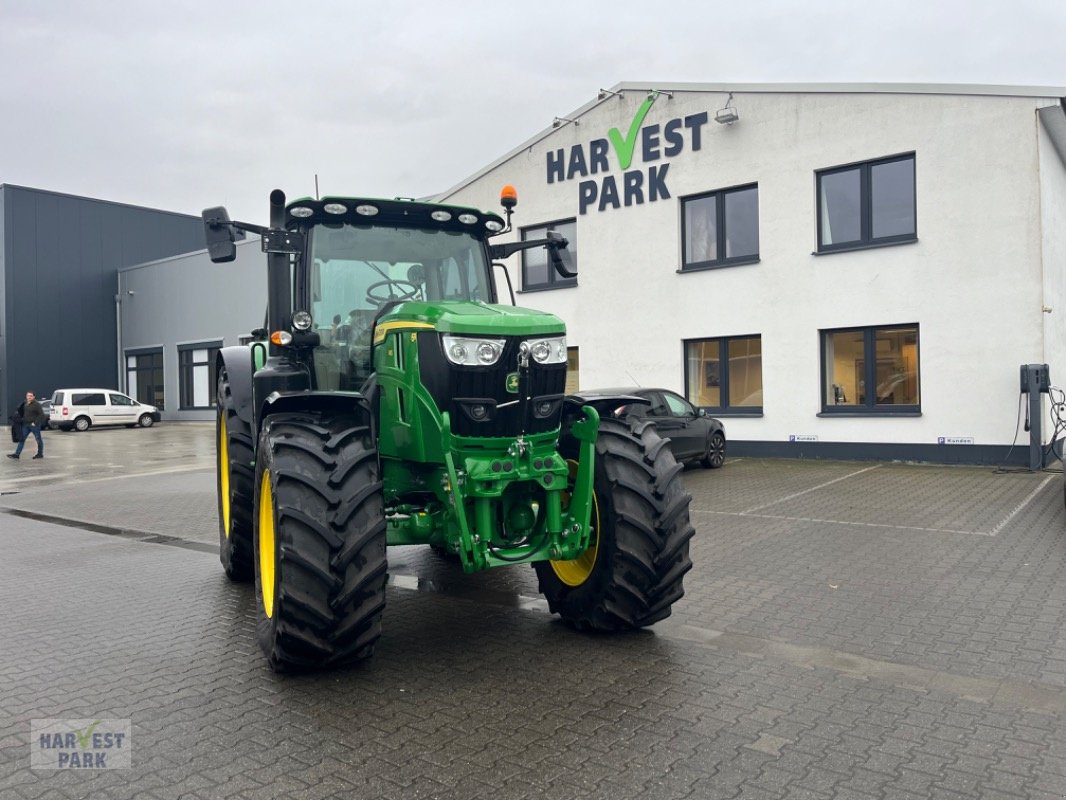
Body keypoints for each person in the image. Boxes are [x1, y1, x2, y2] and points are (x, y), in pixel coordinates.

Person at [8, 391, 44, 459]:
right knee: (22, 439)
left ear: (34, 397)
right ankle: (17, 454)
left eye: (30, 396)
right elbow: (21, 411)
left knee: (38, 439)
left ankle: (40, 454)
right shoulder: (25, 403)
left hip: (34, 426)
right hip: (26, 425)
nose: (29, 397)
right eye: (28, 396)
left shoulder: (37, 404)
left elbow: (41, 415)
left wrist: (35, 422)